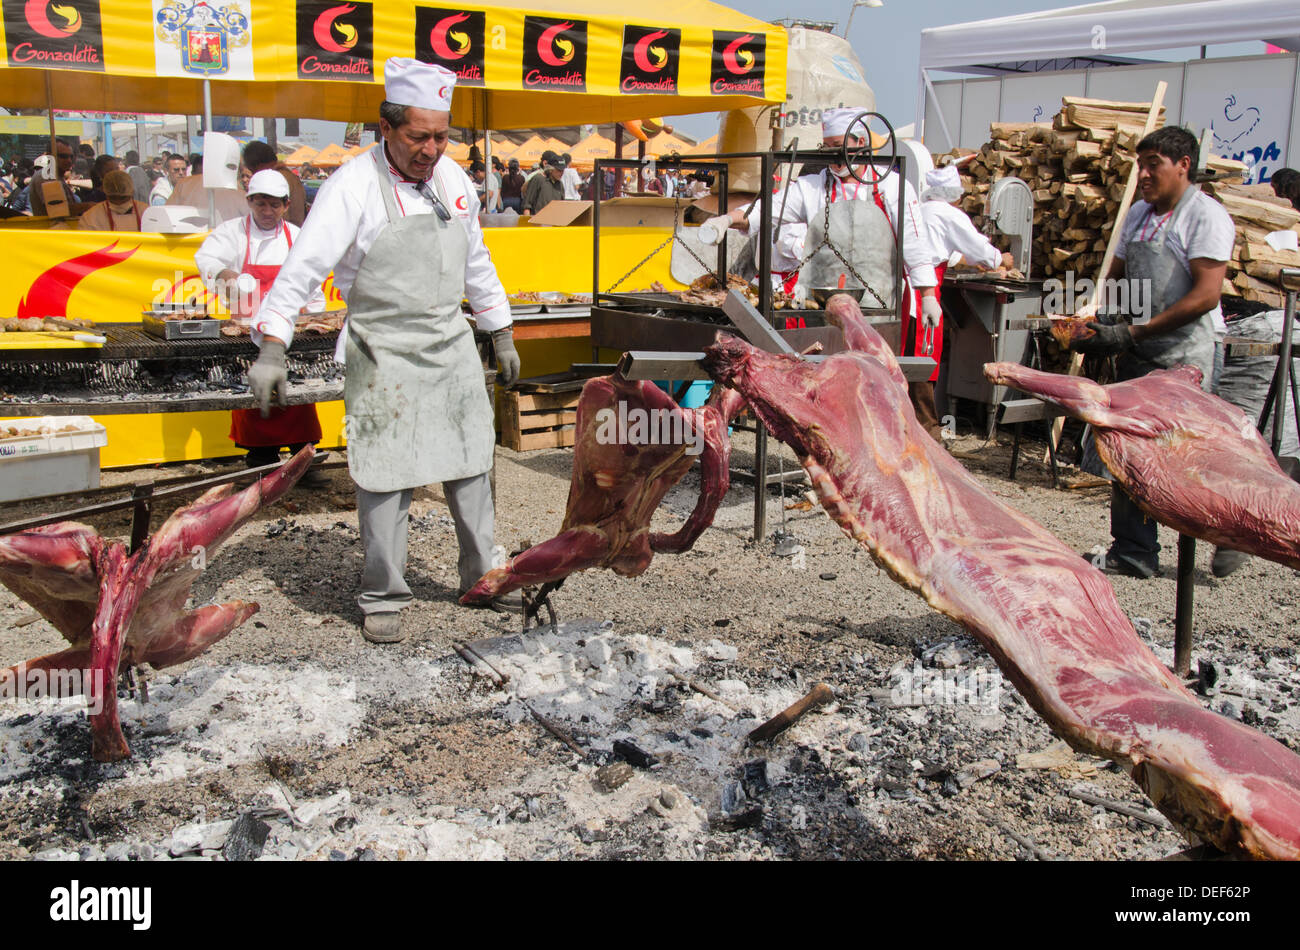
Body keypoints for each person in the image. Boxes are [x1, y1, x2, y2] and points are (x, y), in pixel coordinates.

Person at [247, 58, 523, 643]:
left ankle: (481, 576)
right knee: (384, 474)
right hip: (381, 349)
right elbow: (301, 271)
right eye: (418, 136)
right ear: (387, 129)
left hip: (449, 342)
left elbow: (476, 262)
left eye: (441, 136)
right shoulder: (352, 187)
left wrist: (500, 328)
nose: (431, 149)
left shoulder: (452, 180)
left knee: (472, 462)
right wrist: (274, 344)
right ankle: (382, 593)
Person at [699, 107, 944, 437]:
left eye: (838, 147)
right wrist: (729, 219)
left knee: (877, 378)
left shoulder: (892, 187)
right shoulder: (813, 187)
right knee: (832, 378)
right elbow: (768, 210)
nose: (833, 156)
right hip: (824, 302)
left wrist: (927, 294)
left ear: (860, 142)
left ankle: (896, 441)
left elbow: (914, 244)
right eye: (827, 147)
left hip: (878, 301)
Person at [1067, 126, 1235, 579]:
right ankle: (1134, 551)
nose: (1142, 174)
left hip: (1184, 357)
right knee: (1128, 451)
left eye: (1153, 164)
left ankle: (1227, 532)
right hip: (1140, 349)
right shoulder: (1139, 215)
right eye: (1140, 165)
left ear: (1184, 165)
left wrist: (1132, 333)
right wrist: (1101, 323)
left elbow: (1205, 296)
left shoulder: (1205, 216)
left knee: (1186, 459)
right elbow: (1117, 277)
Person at [196, 170, 328, 484]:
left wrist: (314, 316)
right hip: (246, 326)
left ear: (285, 205)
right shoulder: (232, 233)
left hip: (288, 329)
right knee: (252, 396)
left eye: (274, 205)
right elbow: (207, 258)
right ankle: (260, 461)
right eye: (260, 205)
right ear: (250, 202)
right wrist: (223, 273)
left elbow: (312, 283)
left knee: (297, 390)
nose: (267, 212)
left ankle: (303, 459)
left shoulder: (296, 236)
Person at [242, 140, 307, 226]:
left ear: (257, 166)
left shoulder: (275, 180)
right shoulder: (289, 176)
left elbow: (276, 219)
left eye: (252, 171)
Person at [28, 140, 92, 217]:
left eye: (71, 157)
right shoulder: (46, 176)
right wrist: (88, 206)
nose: (69, 160)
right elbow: (58, 210)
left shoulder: (57, 176)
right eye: (63, 156)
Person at [78, 170, 147, 231]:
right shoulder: (91, 217)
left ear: (131, 193)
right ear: (105, 193)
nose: (118, 202)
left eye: (123, 198)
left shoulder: (145, 212)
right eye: (113, 198)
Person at [522, 150, 566, 215]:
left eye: (563, 170)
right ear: (550, 169)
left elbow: (562, 206)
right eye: (559, 170)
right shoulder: (538, 179)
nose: (561, 173)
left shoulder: (560, 184)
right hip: (538, 221)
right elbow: (527, 205)